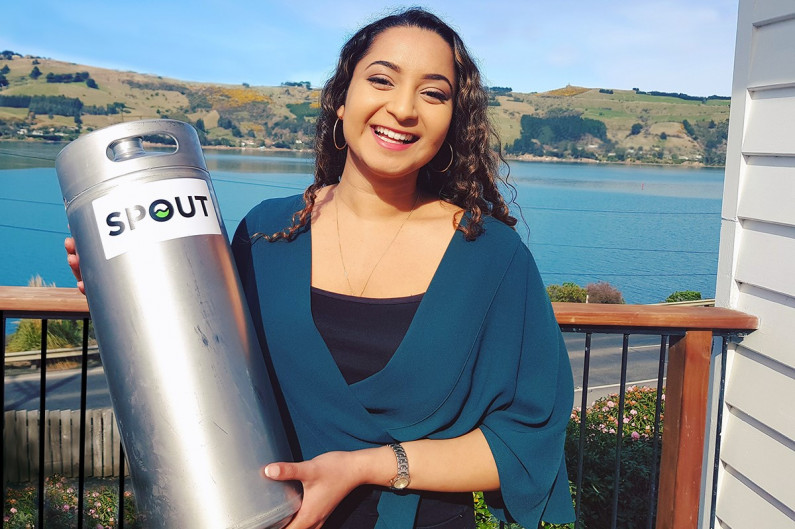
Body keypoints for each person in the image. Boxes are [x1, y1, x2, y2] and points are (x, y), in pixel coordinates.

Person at [67, 8, 574, 529]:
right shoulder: (267, 231)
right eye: (381, 79)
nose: (402, 108)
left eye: (434, 93)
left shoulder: (490, 255)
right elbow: (204, 361)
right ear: (341, 97)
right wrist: (121, 287)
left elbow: (527, 439)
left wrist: (366, 467)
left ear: (452, 122)